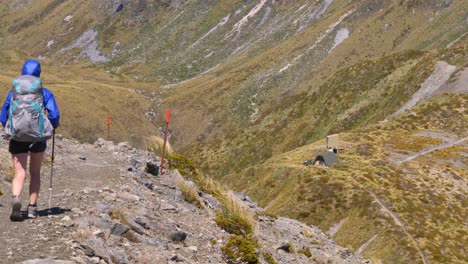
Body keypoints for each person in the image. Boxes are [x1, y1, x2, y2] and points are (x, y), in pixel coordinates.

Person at [0, 59, 60, 221]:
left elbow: (3, 114)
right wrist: (52, 127)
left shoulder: (13, 92)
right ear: (39, 74)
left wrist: (10, 129)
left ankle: (16, 198)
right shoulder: (44, 93)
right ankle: (32, 208)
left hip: (18, 137)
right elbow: (54, 114)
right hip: (38, 137)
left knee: (19, 173)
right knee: (35, 172)